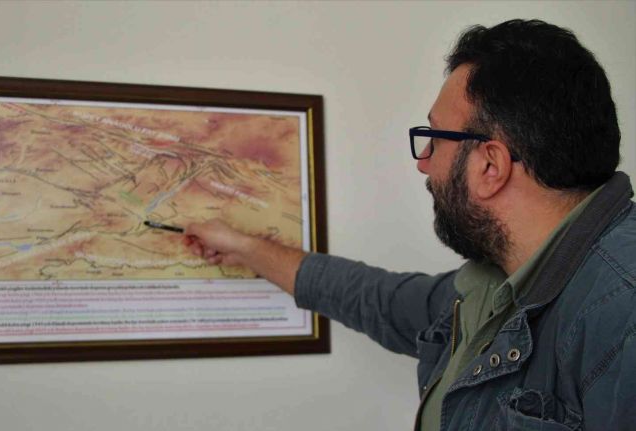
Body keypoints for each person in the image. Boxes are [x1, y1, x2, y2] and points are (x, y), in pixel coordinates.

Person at [183, 19, 636, 430]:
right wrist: (242, 246)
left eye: (434, 139)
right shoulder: (494, 286)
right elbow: (379, 300)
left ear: (490, 166)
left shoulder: (622, 314)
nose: (423, 163)